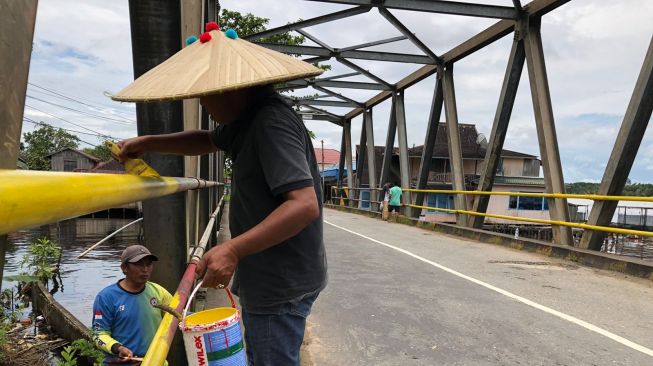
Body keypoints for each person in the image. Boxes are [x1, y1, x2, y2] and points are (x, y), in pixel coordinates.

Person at [111, 25, 327, 366]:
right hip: (273, 273)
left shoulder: (270, 123)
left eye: (206, 93)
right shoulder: (246, 119)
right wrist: (149, 141)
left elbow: (303, 205)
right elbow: (207, 140)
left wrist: (232, 247)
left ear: (233, 88)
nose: (201, 101)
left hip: (279, 280)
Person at [92, 245, 172, 364]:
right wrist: (118, 348)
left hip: (154, 362)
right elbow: (99, 334)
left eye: (149, 264)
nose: (145, 269)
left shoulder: (159, 292)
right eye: (139, 264)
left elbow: (178, 315)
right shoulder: (106, 297)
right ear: (124, 268)